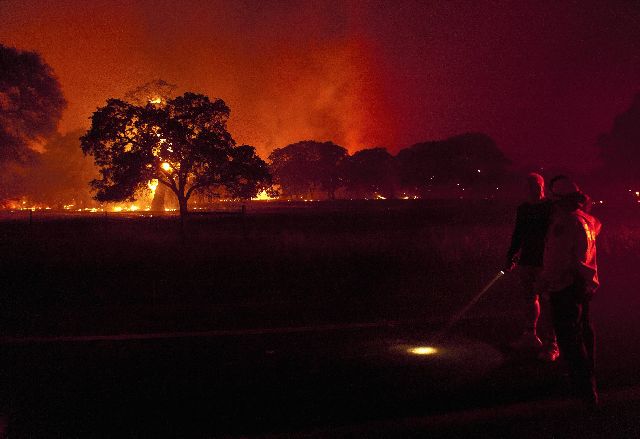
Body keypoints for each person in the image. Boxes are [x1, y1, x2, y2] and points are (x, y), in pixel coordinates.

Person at [538, 175, 601, 406]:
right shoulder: (587, 220)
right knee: (584, 332)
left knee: (569, 338)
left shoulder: (565, 223)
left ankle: (583, 387)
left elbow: (558, 257)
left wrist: (546, 281)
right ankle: (588, 378)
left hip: (566, 285)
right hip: (584, 284)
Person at [506, 173, 559, 361]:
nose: (531, 188)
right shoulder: (524, 209)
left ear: (541, 186)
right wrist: (511, 256)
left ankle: (552, 343)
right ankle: (531, 335)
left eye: (534, 184)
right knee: (529, 298)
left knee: (548, 301)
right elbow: (518, 234)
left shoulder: (551, 207)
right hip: (527, 259)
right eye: (528, 185)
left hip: (545, 260)